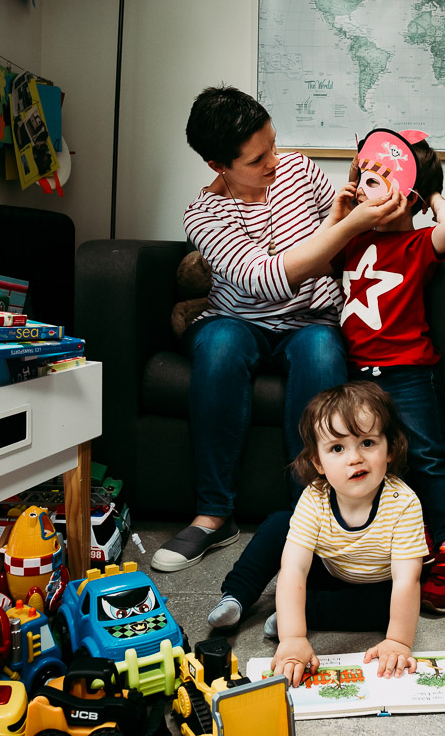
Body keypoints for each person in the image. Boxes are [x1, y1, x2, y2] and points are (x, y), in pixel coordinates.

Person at [151, 87, 406, 573]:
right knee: (222, 345)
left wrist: (363, 206)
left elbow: (338, 237)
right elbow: (264, 279)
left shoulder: (300, 169)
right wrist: (349, 226)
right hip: (237, 319)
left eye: (273, 144)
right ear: (217, 165)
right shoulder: (202, 215)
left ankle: (307, 516)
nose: (274, 161)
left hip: (309, 320)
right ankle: (213, 515)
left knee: (320, 351)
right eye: (257, 158)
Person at [328, 129, 445, 613]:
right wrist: (346, 204)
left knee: (430, 457)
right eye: (365, 174)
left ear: (408, 196)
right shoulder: (350, 240)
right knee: (375, 464)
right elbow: (321, 248)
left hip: (408, 369)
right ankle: (403, 540)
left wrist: (425, 189)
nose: (367, 182)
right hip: (356, 375)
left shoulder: (418, 244)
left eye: (379, 178)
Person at [208, 382, 428, 686]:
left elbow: (406, 580)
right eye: (337, 448)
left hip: (377, 583)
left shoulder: (403, 503)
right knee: (277, 525)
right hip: (328, 568)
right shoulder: (314, 497)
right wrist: (294, 639)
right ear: (317, 463)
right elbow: (294, 569)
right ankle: (237, 595)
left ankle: (303, 611)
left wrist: (398, 642)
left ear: (389, 449)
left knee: (387, 607)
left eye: (367, 443)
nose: (355, 458)